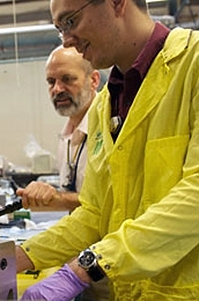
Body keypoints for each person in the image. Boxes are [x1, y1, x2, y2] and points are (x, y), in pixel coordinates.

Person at [16, 0, 199, 299]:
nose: (66, 40)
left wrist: (84, 268)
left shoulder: (193, 64)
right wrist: (17, 256)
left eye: (71, 21)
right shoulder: (104, 105)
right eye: (59, 29)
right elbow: (96, 212)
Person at [17, 46, 100, 212]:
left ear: (94, 81)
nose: (57, 89)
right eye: (51, 82)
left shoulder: (108, 128)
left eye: (67, 79)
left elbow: (107, 201)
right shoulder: (67, 137)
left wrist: (59, 198)